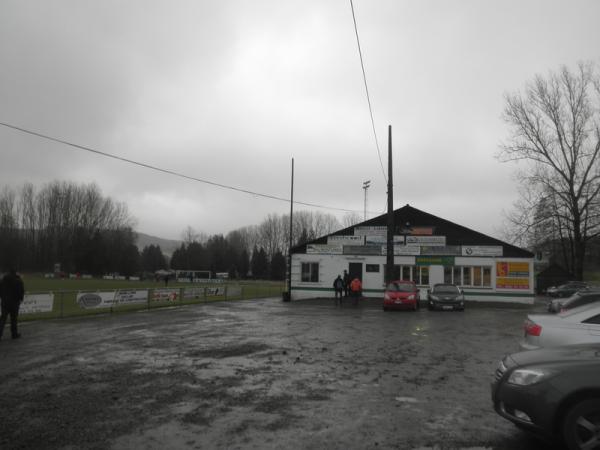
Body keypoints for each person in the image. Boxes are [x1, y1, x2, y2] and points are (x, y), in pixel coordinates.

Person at [0, 268, 25, 340]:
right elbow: (21, 291)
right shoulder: (18, 280)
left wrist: (2, 297)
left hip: (5, 302)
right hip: (14, 302)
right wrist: (20, 299)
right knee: (14, 319)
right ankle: (14, 334)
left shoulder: (3, 280)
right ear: (15, 273)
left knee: (3, 319)